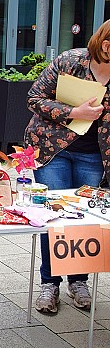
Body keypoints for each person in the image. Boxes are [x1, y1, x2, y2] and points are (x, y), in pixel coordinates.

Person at [26, 21, 110, 314]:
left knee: (85, 222)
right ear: (106, 46)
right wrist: (75, 112)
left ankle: (78, 281)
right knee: (54, 219)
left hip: (94, 157)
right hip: (54, 151)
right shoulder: (70, 61)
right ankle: (49, 284)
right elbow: (34, 98)